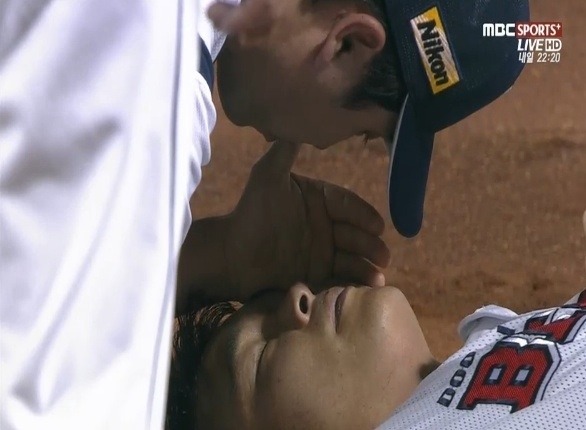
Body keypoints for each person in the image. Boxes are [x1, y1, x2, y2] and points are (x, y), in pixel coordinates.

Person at [0, 0, 528, 429]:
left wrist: (217, 255)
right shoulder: (149, 101)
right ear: (347, 43)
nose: (324, 145)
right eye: (365, 132)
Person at [166, 212, 586, 430]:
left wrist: (223, 252)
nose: (299, 295)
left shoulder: (493, 340)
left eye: (271, 303)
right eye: (259, 360)